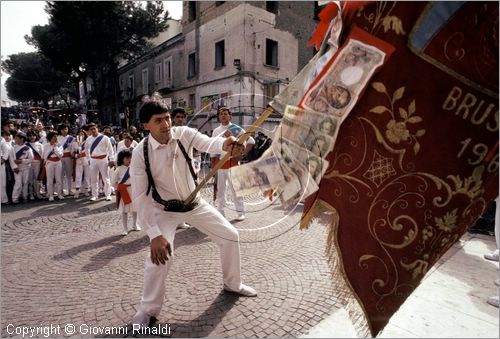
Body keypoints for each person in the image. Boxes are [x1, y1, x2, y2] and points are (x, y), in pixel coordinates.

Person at [130, 97, 257, 328]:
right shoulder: (140, 153)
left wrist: (226, 145)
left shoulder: (184, 133)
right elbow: (140, 197)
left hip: (195, 204)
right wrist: (154, 234)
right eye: (158, 121)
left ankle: (233, 284)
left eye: (167, 118)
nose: (166, 124)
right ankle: (147, 311)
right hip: (164, 210)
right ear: (145, 125)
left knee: (230, 236)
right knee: (158, 258)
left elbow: (209, 143)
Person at [211, 106, 255, 220]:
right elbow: (212, 148)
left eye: (225, 113)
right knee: (220, 189)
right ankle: (220, 211)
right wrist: (212, 165)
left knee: (236, 189)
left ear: (230, 116)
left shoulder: (236, 128)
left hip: (233, 163)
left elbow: (251, 141)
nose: (223, 115)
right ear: (218, 116)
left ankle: (241, 212)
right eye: (221, 114)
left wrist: (241, 155)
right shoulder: (216, 131)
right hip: (220, 163)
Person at [172, 107, 192, 229]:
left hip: (187, 167)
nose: (179, 119)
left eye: (182, 117)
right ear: (173, 118)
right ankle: (177, 221)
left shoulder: (189, 132)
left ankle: (185, 219)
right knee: (176, 194)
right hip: (174, 167)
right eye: (177, 117)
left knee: (188, 193)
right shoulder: (169, 131)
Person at [84, 123, 115, 201]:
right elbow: (86, 150)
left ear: (97, 128)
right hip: (93, 160)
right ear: (89, 131)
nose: (93, 130)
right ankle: (94, 195)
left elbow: (110, 150)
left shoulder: (105, 138)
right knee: (94, 178)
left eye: (94, 128)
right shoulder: (88, 139)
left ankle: (108, 194)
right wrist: (88, 159)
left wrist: (111, 160)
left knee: (106, 178)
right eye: (91, 129)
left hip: (103, 159)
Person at [112, 149, 140, 235]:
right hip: (124, 192)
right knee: (124, 211)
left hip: (133, 190)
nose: (129, 160)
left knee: (135, 209)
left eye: (130, 158)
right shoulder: (119, 169)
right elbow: (113, 181)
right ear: (122, 159)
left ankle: (135, 225)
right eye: (127, 158)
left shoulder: (134, 168)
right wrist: (119, 188)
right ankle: (125, 229)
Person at [11, 131, 33, 203]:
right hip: (17, 169)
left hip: (26, 168)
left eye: (17, 138)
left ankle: (25, 196)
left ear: (22, 139)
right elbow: (11, 159)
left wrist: (22, 161)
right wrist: (14, 167)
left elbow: (31, 159)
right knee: (18, 183)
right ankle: (15, 198)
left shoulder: (27, 148)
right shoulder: (13, 148)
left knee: (25, 182)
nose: (15, 140)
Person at [42, 132, 64, 202]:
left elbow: (60, 155)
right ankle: (50, 195)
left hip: (58, 162)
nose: (55, 138)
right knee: (50, 179)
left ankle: (59, 194)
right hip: (50, 162)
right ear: (50, 138)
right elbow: (44, 156)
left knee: (58, 179)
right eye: (54, 137)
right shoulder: (45, 146)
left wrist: (55, 147)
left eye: (56, 136)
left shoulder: (59, 145)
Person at [56, 124, 75, 196]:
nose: (64, 130)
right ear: (60, 130)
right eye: (63, 129)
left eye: (66, 129)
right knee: (60, 175)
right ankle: (60, 190)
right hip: (59, 158)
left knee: (69, 174)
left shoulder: (72, 138)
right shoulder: (57, 138)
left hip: (68, 158)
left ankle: (70, 190)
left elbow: (74, 148)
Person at [73, 129, 91, 199]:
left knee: (87, 176)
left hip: (86, 161)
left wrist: (83, 154)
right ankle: (77, 191)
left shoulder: (88, 142)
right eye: (79, 134)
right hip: (79, 161)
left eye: (82, 134)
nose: (81, 135)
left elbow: (89, 152)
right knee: (78, 176)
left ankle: (86, 190)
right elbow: (73, 153)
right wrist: (77, 155)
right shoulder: (75, 143)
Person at [26, 131, 44, 200]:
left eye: (33, 135)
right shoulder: (26, 145)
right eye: (30, 136)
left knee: (37, 178)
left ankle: (38, 193)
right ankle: (31, 194)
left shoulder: (40, 145)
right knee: (30, 179)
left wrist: (42, 165)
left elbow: (42, 156)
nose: (32, 137)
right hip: (29, 163)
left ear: (36, 136)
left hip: (38, 163)